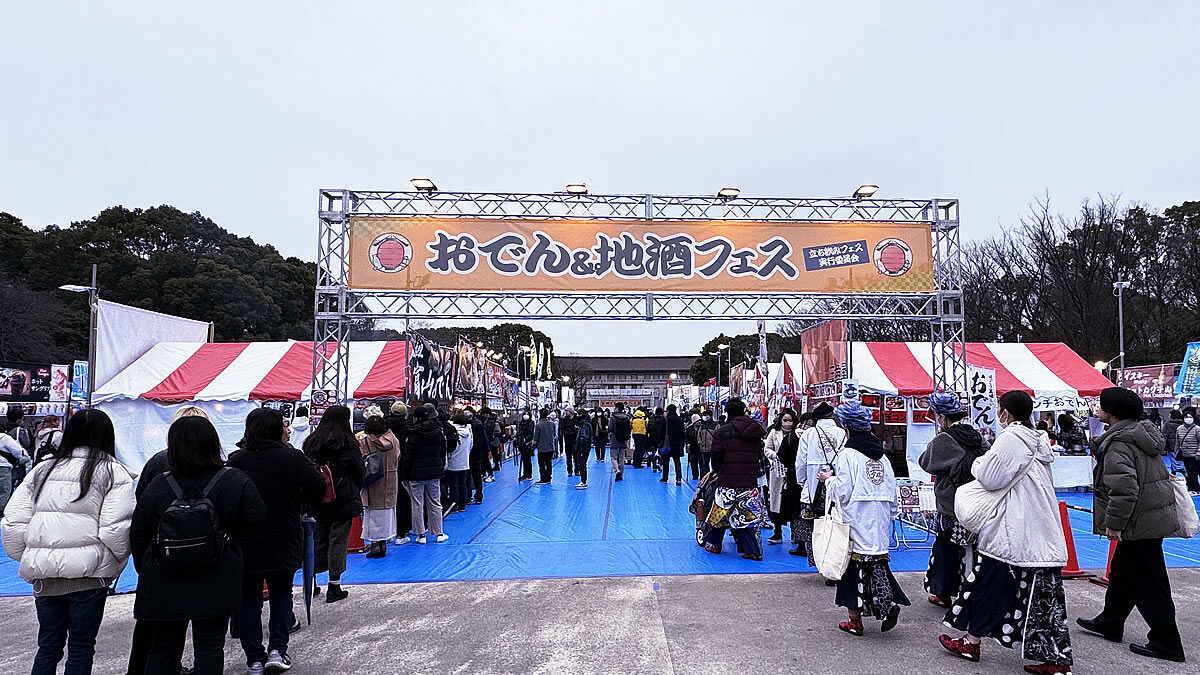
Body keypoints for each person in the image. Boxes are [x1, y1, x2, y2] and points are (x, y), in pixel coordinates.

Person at [938, 390, 1073, 675]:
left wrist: (978, 463)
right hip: (1040, 529)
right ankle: (1055, 659)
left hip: (1012, 527)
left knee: (988, 582)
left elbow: (991, 477)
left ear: (1005, 413)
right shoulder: (1037, 439)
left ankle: (971, 641)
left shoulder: (1012, 438)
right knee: (1042, 597)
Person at [1, 409, 135, 675]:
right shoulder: (112, 472)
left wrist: (30, 556)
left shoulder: (42, 470)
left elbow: (12, 522)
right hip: (89, 576)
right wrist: (115, 562)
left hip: (45, 576)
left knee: (48, 647)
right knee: (81, 647)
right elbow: (115, 529)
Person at [131, 415, 266, 675]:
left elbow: (139, 532)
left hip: (164, 578)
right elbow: (257, 520)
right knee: (210, 647)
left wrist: (147, 566)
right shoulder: (234, 480)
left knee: (163, 648)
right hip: (217, 574)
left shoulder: (159, 484)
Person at [1077, 387, 1184, 663]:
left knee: (1149, 583)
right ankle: (1110, 621)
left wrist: (1114, 523)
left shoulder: (1119, 443)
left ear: (1112, 413)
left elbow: (1124, 490)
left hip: (1138, 521)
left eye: (1101, 405)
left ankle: (1167, 641)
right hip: (1150, 516)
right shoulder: (1142, 434)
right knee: (1123, 572)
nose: (1097, 409)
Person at [227, 408, 325, 673]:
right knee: (281, 594)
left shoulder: (236, 460)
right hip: (283, 535)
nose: (288, 429)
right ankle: (277, 650)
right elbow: (319, 488)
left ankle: (254, 657)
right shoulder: (292, 457)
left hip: (245, 539)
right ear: (274, 428)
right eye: (284, 425)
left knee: (248, 599)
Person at [821, 397, 908, 636]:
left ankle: (854, 619)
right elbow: (891, 486)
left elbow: (843, 490)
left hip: (857, 514)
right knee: (876, 560)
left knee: (852, 566)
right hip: (879, 514)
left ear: (847, 427)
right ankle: (886, 601)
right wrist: (892, 511)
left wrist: (828, 480)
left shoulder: (848, 455)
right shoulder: (883, 456)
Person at [918, 391, 988, 608]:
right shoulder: (976, 436)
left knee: (946, 549)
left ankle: (942, 593)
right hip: (976, 500)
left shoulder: (944, 439)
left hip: (951, 503)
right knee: (973, 548)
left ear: (942, 417)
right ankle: (973, 591)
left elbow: (925, 462)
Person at [301, 405, 363, 603]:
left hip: (318, 498)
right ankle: (334, 585)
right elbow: (359, 471)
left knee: (317, 539)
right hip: (343, 498)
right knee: (338, 540)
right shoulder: (348, 443)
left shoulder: (311, 442)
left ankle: (311, 583)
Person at [702, 399, 767, 560]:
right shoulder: (755, 430)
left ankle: (714, 544)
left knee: (719, 514)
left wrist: (718, 471)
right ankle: (752, 550)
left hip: (727, 479)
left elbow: (716, 457)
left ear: (728, 412)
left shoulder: (723, 431)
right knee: (749, 515)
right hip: (749, 480)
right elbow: (760, 455)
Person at [795, 402, 846, 566]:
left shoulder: (809, 434)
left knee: (813, 529)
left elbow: (800, 463)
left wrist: (803, 482)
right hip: (836, 488)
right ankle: (834, 562)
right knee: (835, 527)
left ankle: (817, 560)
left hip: (812, 489)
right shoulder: (842, 433)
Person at [400, 405, 448, 545]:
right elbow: (442, 453)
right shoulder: (438, 432)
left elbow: (408, 457)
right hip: (434, 473)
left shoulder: (413, 434)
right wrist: (440, 468)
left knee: (417, 504)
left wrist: (404, 476)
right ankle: (439, 532)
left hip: (415, 474)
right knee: (435, 502)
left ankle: (421, 535)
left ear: (415, 418)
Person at [358, 415, 401, 557]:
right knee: (387, 513)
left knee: (372, 514)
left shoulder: (365, 442)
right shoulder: (393, 440)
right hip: (390, 480)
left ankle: (375, 545)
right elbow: (398, 456)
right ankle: (383, 543)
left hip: (373, 481)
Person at [763, 409, 800, 547]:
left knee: (792, 502)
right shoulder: (774, 432)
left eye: (790, 420)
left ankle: (795, 534)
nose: (788, 423)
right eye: (785, 420)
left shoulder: (798, 433)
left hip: (793, 472)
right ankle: (777, 532)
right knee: (776, 502)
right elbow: (767, 449)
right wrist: (775, 456)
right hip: (777, 472)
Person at [382, 402, 412, 545]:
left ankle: (384, 534)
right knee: (402, 499)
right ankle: (401, 532)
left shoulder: (382, 428)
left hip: (381, 469)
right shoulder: (408, 428)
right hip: (401, 467)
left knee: (382, 502)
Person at [0, 422, 32, 516]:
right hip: (3, 466)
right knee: (4, 490)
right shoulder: (5, 438)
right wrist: (23, 459)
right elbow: (18, 451)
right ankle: (1, 512)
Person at [447, 413, 473, 512]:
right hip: (465, 462)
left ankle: (454, 506)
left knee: (453, 485)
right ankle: (462, 505)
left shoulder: (452, 432)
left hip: (453, 462)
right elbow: (471, 446)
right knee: (462, 484)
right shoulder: (469, 432)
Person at [463, 407, 488, 503]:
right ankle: (479, 496)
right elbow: (484, 440)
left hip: (466, 454)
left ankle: (468, 497)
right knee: (477, 476)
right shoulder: (479, 424)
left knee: (467, 477)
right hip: (477, 454)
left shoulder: (464, 426)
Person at [1176, 408, 1200, 493]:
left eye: (1190, 417)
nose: (1188, 419)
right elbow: (1177, 441)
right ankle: (1192, 488)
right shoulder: (1179, 428)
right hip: (1185, 454)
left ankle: (1195, 488)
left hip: (1195, 455)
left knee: (1194, 472)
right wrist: (1177, 450)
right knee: (1189, 472)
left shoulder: (1197, 429)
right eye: (1186, 417)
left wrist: (1198, 452)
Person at [661, 404, 685, 485]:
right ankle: (678, 479)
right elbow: (683, 433)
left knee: (665, 461)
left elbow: (661, 432)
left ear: (668, 410)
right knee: (677, 461)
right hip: (677, 443)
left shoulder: (665, 420)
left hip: (667, 443)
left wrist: (660, 442)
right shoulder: (680, 420)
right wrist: (683, 443)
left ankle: (665, 478)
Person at [608, 404, 632, 482]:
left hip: (614, 439)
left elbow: (610, 428)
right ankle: (621, 474)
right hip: (623, 439)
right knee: (622, 458)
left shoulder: (613, 418)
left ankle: (617, 471)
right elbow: (629, 428)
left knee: (613, 457)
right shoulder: (627, 417)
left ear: (617, 408)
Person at [534, 409, 557, 484]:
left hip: (542, 448)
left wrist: (533, 446)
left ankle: (543, 478)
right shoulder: (552, 424)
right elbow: (554, 434)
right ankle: (548, 478)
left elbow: (536, 438)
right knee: (549, 463)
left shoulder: (538, 425)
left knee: (541, 464)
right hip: (550, 447)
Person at [574, 411, 593, 489]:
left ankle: (583, 482)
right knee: (582, 464)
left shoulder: (585, 425)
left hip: (583, 448)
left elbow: (584, 437)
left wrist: (580, 446)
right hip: (585, 447)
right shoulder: (585, 424)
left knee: (582, 464)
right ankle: (583, 481)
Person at [1162, 409, 1184, 476]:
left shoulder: (1167, 424)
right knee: (1179, 460)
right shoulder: (1183, 424)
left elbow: (1164, 435)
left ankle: (1180, 472)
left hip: (1171, 446)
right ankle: (1174, 472)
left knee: (1174, 461)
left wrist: (1163, 446)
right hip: (1181, 445)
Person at [695, 411, 716, 478]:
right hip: (703, 449)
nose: (705, 417)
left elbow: (718, 436)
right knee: (705, 466)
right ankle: (706, 479)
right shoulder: (702, 426)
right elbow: (698, 435)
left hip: (712, 448)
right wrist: (700, 442)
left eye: (707, 415)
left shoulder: (715, 425)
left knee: (714, 465)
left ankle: (713, 478)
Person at [516, 409, 535, 481]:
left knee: (527, 459)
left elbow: (530, 433)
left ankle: (529, 474)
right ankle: (525, 473)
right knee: (524, 459)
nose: (525, 416)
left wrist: (526, 440)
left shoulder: (531, 423)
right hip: (521, 443)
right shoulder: (521, 423)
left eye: (527, 414)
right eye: (524, 414)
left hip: (527, 443)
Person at [560, 408, 579, 477]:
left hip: (575, 440)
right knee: (568, 456)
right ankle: (569, 471)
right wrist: (567, 433)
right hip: (567, 440)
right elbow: (562, 429)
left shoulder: (577, 419)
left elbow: (578, 428)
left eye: (567, 411)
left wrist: (573, 432)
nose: (566, 412)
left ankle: (577, 470)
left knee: (576, 456)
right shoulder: (564, 420)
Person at [647, 407, 666, 472]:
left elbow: (648, 429)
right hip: (661, 438)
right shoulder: (663, 420)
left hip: (652, 438)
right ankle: (660, 463)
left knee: (653, 452)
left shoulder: (651, 419)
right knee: (661, 452)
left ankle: (654, 466)